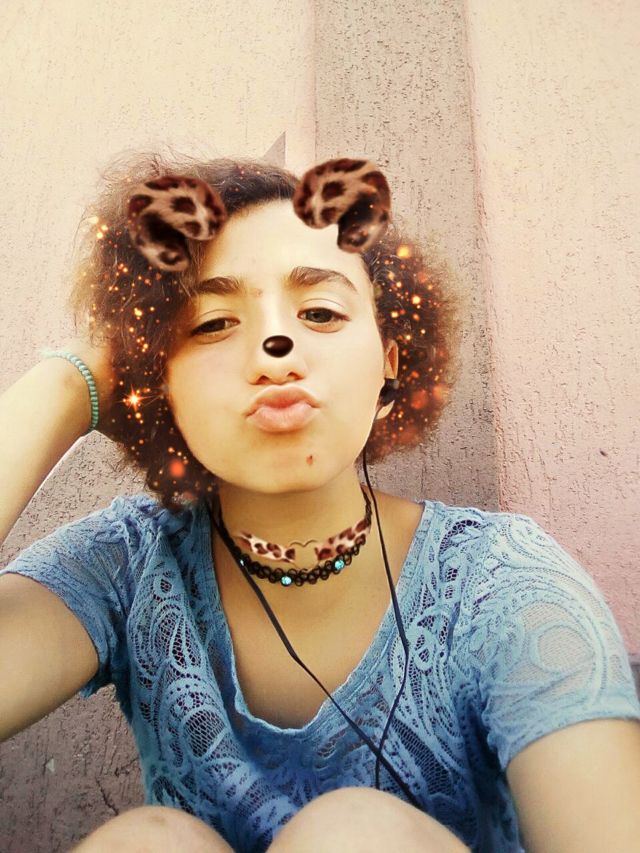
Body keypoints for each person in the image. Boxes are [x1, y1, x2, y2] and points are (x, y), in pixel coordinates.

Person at [0, 153, 639, 853]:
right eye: (211, 323)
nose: (275, 352)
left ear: (391, 357)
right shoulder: (126, 566)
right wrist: (72, 384)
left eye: (321, 312)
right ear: (159, 379)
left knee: (353, 835)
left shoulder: (499, 581)